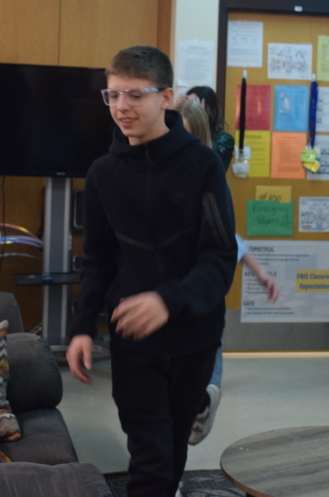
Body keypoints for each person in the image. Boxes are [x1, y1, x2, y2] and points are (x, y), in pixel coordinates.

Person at [65, 46, 237, 497]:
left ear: (166, 97)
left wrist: (168, 300)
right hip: (133, 340)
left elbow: (219, 257)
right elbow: (97, 259)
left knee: (173, 452)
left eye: (135, 95)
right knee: (151, 458)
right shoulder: (103, 173)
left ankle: (198, 409)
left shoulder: (202, 165)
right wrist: (82, 326)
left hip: (194, 336)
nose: (121, 107)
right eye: (113, 95)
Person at [176, 98, 279, 445]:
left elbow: (230, 238)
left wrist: (260, 272)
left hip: (201, 288)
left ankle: (207, 395)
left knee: (208, 341)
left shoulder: (206, 181)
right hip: (166, 293)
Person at [180, 85, 234, 170]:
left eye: (195, 107)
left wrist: (198, 118)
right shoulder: (180, 131)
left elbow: (207, 157)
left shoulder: (225, 140)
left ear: (209, 109)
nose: (190, 111)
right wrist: (176, 114)